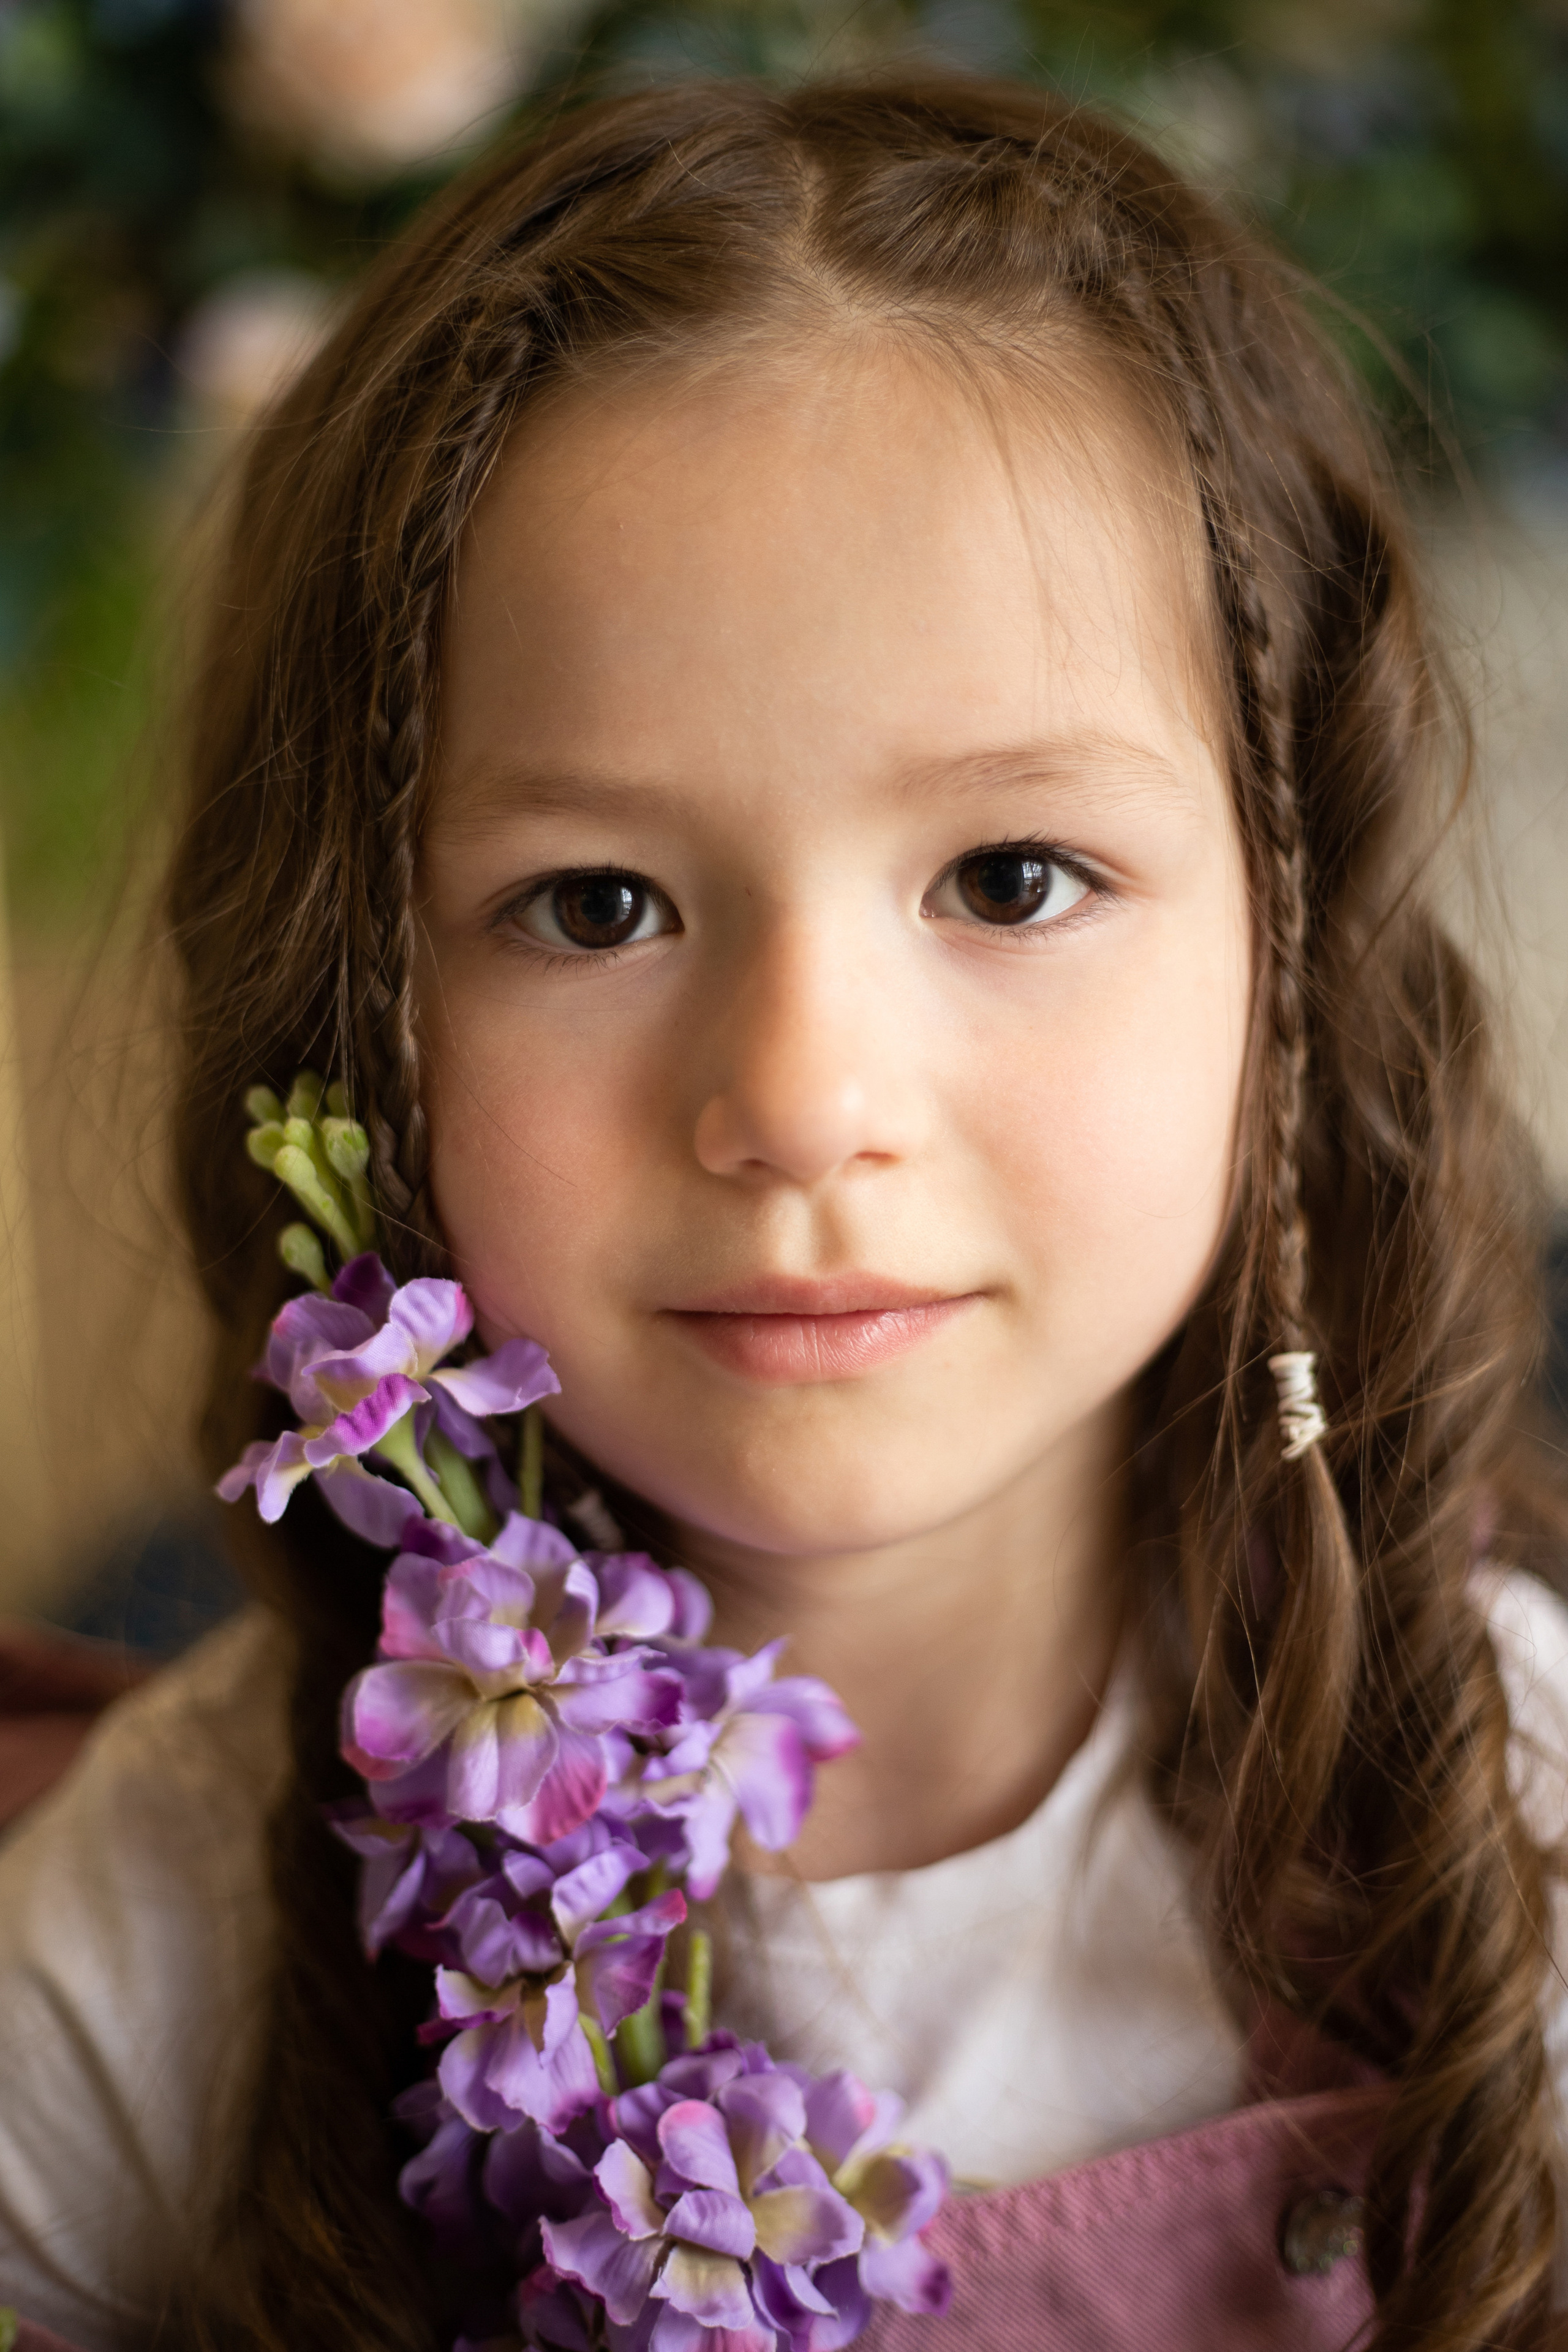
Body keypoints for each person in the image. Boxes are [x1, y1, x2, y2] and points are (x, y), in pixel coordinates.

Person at [2, 67, 1566, 2352]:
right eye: (597, 900)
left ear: (1292, 956)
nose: (802, 1103)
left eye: (1012, 879)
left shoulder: (1508, 1827)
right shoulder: (155, 1951)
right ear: (361, 1004)